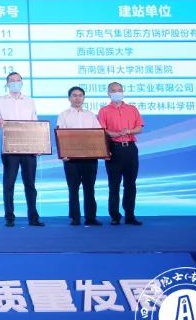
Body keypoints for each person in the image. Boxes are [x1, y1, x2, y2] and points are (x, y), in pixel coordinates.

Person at [0, 71, 43, 227]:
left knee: (30, 184)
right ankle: (9, 217)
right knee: (9, 184)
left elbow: (35, 122)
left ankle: (33, 217)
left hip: (28, 147)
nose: (15, 83)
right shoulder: (0, 101)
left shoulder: (29, 101)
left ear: (22, 83)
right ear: (7, 84)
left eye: (18, 80)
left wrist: (38, 144)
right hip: (10, 147)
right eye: (12, 80)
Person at [97, 82, 145, 225]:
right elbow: (102, 130)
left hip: (130, 148)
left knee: (130, 184)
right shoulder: (104, 111)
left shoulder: (132, 109)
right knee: (114, 185)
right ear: (108, 93)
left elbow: (139, 127)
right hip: (114, 148)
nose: (117, 92)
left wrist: (129, 131)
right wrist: (116, 134)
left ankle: (130, 215)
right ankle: (115, 216)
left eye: (119, 90)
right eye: (113, 90)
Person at [56, 86, 102, 226]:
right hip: (71, 158)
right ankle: (75, 217)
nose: (77, 98)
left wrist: (100, 151)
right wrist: (63, 154)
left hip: (89, 157)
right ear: (69, 98)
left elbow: (98, 134)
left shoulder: (90, 115)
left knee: (90, 188)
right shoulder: (64, 115)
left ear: (84, 98)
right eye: (74, 95)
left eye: (80, 95)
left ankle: (91, 217)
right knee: (73, 188)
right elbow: (60, 136)